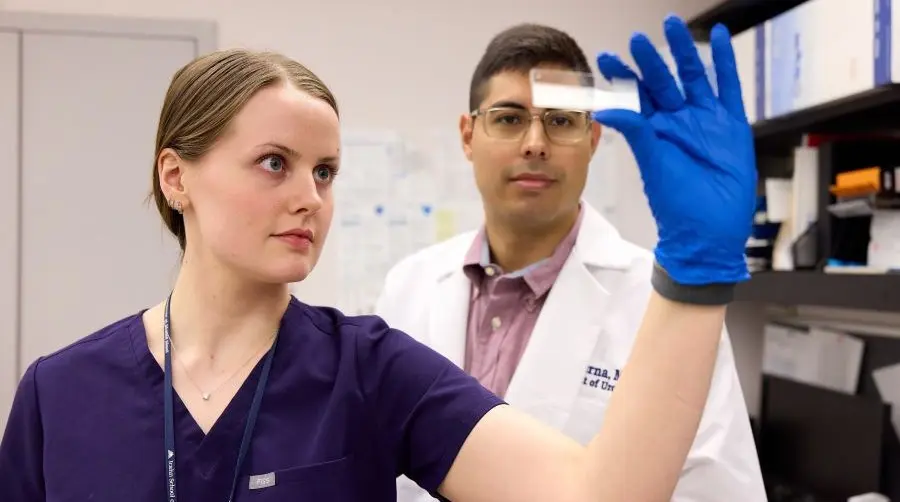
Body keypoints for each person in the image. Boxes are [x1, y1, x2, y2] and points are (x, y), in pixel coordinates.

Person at [0, 14, 758, 502]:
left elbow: (598, 496)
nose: (310, 197)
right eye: (275, 162)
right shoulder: (57, 394)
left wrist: (695, 274)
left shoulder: (371, 369)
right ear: (177, 177)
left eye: (324, 172)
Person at [376, 21, 766, 502]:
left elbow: (722, 491)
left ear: (594, 139)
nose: (535, 142)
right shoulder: (407, 286)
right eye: (509, 117)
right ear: (468, 134)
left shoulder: (665, 300)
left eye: (561, 120)